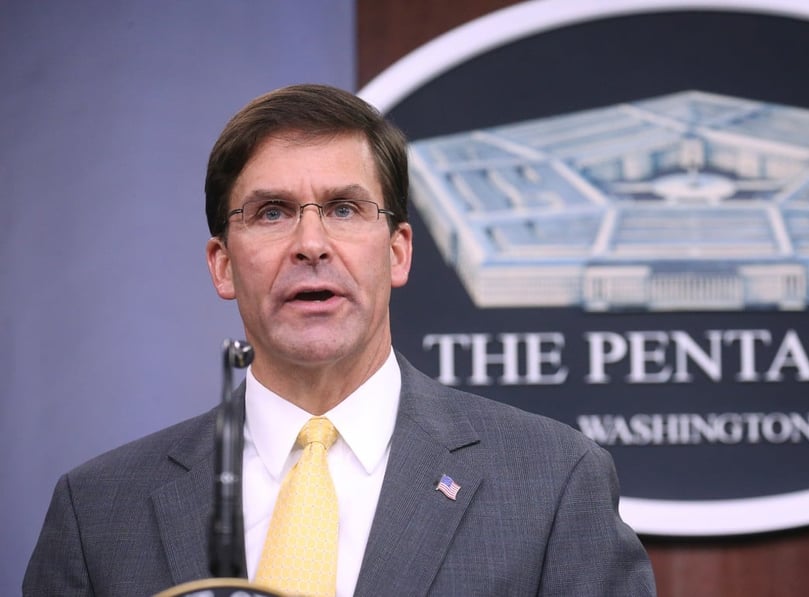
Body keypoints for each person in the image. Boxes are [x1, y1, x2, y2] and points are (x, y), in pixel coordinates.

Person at [23, 84, 656, 596]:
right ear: (222, 264)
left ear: (398, 251)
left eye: (345, 209)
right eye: (271, 212)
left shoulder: (551, 481)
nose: (310, 244)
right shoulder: (99, 510)